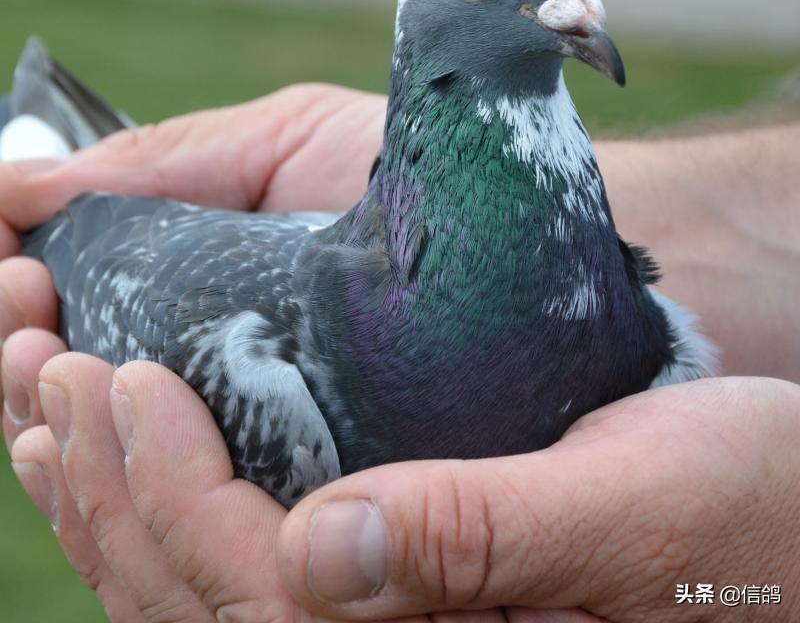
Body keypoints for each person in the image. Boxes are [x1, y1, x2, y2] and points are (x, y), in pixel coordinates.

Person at [1, 82, 798, 622]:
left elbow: (750, 585)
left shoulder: (654, 336)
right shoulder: (267, 370)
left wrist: (771, 583)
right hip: (148, 254)